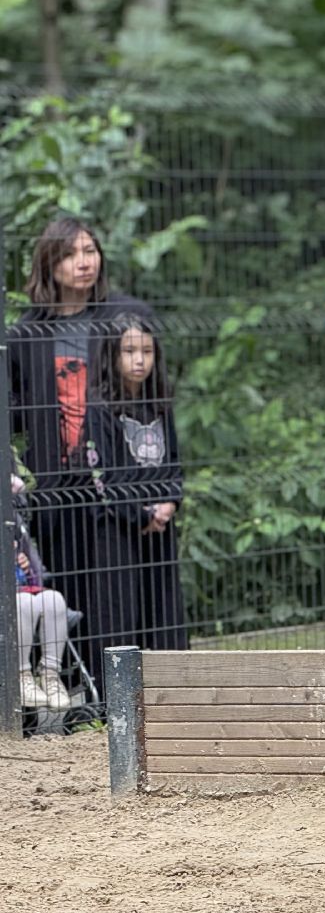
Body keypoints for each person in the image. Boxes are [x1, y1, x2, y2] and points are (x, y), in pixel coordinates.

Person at [9, 216, 155, 637]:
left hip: (117, 485)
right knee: (63, 593)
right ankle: (74, 692)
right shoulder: (26, 334)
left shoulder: (126, 316)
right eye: (70, 253)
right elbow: (15, 411)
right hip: (56, 485)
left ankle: (119, 693)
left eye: (90, 251)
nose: (83, 262)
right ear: (49, 264)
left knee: (117, 596)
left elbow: (153, 402)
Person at [78, 314, 188, 660]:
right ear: (112, 355)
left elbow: (174, 462)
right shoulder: (99, 408)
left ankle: (173, 689)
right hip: (117, 529)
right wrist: (138, 514)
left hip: (159, 526)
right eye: (128, 351)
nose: (139, 360)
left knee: (164, 609)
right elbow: (100, 477)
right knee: (119, 614)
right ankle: (113, 700)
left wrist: (170, 503)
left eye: (146, 351)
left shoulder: (160, 405)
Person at [12, 473, 73, 711]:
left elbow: (34, 571)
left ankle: (50, 675)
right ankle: (22, 675)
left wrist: (21, 561)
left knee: (54, 599)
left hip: (21, 586)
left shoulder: (12, 523)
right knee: (24, 603)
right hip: (12, 598)